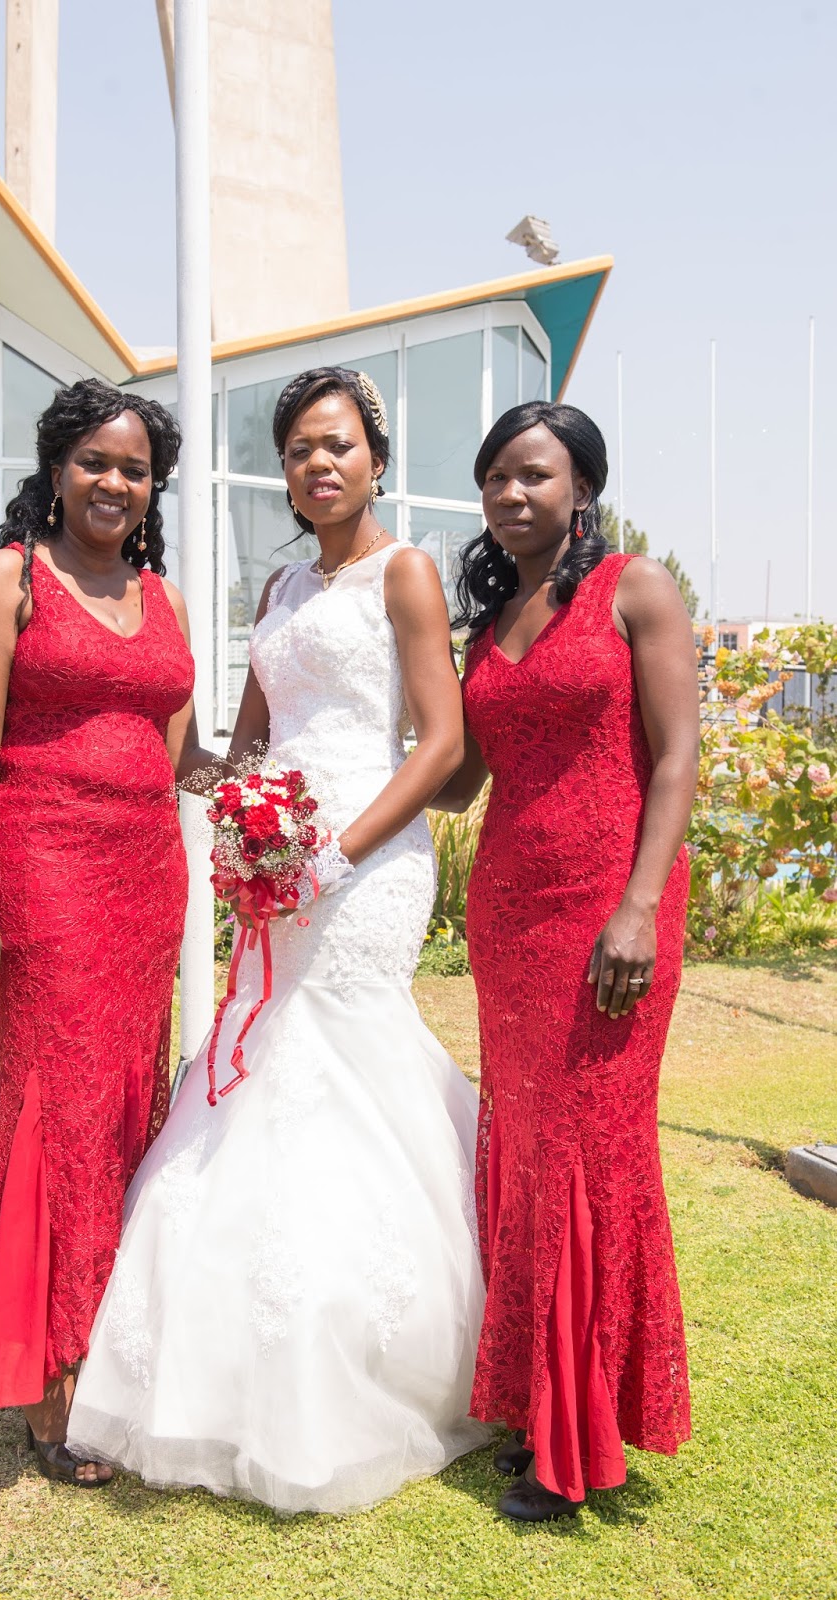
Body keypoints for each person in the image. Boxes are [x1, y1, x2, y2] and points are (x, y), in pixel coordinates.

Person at [67, 367, 491, 1513]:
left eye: (337, 444)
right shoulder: (279, 585)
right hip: (274, 855)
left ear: (376, 460)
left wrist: (334, 853)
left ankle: (391, 1347)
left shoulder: (406, 574)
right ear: (287, 472)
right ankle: (228, 1357)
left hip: (368, 860)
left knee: (344, 1058)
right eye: (300, 448)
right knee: (258, 1064)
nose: (318, 463)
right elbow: (245, 749)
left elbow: (442, 743)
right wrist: (220, 801)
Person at [436, 401, 699, 1522]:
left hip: (612, 915)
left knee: (592, 1151)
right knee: (530, 1154)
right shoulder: (489, 623)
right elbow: (459, 780)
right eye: (496, 476)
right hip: (508, 915)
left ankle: (578, 1442)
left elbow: (679, 758)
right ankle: (540, 1405)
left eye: (533, 474)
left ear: (582, 486)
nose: (511, 493)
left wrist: (638, 907)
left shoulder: (636, 591)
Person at [0, 378, 208, 1487]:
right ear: (56, 469)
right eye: (95, 461)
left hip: (148, 877)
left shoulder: (164, 596)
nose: (113, 482)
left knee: (124, 1108)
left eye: (135, 469)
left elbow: (180, 753)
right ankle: (51, 1379)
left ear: (154, 488)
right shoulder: (10, 579)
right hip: (45, 867)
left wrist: (281, 793)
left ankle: (112, 1342)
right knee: (60, 1103)